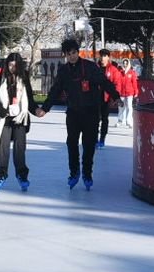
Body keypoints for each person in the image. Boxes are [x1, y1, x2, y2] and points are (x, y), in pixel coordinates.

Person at [36, 38, 118, 190]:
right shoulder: (63, 71)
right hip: (73, 113)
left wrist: (116, 96)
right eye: (69, 54)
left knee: (89, 145)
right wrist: (45, 108)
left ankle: (87, 173)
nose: (72, 56)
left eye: (74, 52)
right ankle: (74, 172)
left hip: (91, 112)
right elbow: (55, 90)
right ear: (65, 55)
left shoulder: (90, 67)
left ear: (78, 52)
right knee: (71, 143)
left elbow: (104, 82)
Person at [0, 53, 37, 191]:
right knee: (3, 148)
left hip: (19, 118)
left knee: (20, 149)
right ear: (7, 65)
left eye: (16, 65)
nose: (13, 68)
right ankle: (1, 175)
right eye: (10, 65)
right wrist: (1, 111)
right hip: (3, 119)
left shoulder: (24, 79)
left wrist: (37, 110)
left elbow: (29, 99)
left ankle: (22, 175)